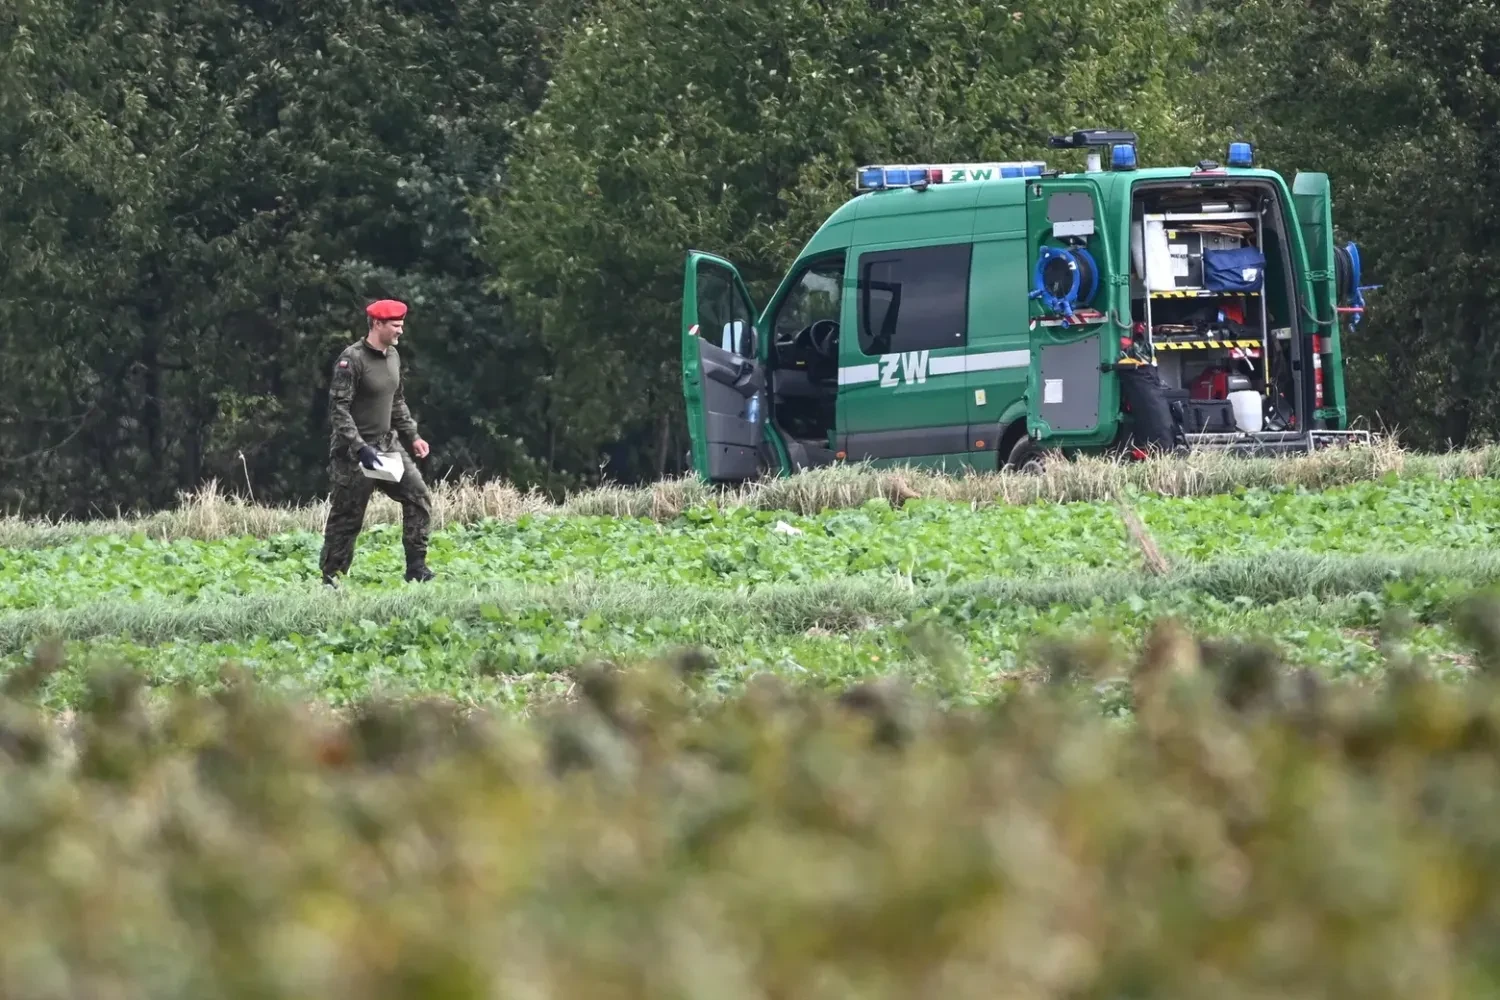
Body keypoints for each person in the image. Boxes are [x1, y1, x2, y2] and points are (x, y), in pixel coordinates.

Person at [318, 298, 435, 586]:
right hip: (353, 454)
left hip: (387, 446)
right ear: (377, 324)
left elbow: (397, 401)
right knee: (347, 518)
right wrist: (360, 448)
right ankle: (332, 578)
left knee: (419, 498)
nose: (400, 332)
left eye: (401, 325)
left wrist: (413, 436)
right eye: (395, 326)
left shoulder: (393, 356)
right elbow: (339, 410)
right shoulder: (352, 360)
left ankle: (416, 569)